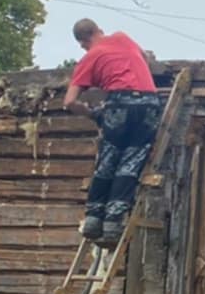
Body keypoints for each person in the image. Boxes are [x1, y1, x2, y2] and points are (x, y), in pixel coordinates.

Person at [63, 19, 162, 246]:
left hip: (119, 104)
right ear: (99, 30)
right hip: (149, 105)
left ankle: (93, 219)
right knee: (131, 162)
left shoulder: (90, 57)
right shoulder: (122, 38)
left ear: (82, 42)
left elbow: (69, 102)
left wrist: (93, 114)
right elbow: (146, 59)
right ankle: (113, 225)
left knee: (108, 159)